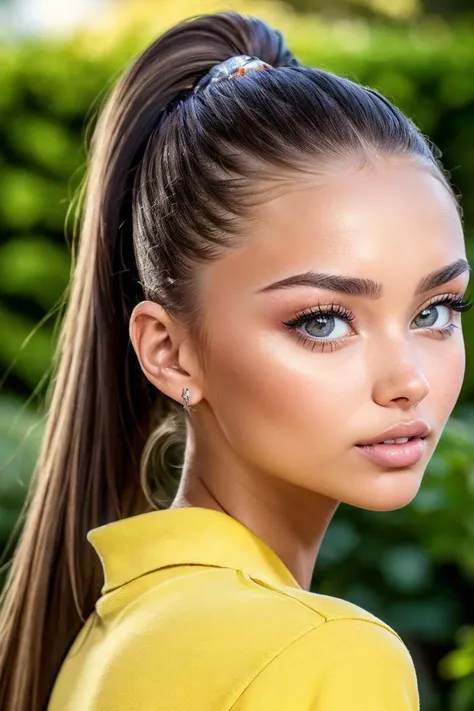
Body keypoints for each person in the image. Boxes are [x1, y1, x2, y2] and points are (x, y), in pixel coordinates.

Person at [0, 9, 471, 711]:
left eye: (435, 311)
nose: (408, 380)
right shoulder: (326, 654)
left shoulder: (105, 637)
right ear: (169, 350)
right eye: (323, 320)